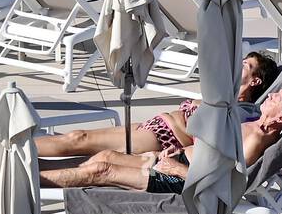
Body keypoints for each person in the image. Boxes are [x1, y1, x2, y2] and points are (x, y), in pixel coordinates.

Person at [27, 52, 279, 160]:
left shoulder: (245, 111)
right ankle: (24, 150)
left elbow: (204, 133)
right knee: (81, 140)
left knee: (80, 140)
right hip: (154, 126)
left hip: (162, 139)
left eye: (246, 65)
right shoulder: (221, 95)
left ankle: (19, 149)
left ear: (255, 80)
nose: (239, 63)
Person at [35, 90, 282, 195]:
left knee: (101, 170)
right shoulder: (255, 122)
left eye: (277, 97)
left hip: (179, 178)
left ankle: (26, 182)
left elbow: (229, 184)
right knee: (105, 156)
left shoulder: (258, 137)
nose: (271, 95)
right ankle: (28, 169)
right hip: (177, 159)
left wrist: (179, 169)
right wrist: (181, 151)